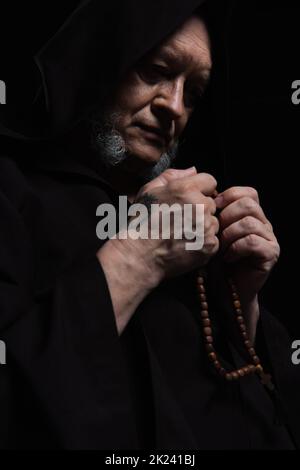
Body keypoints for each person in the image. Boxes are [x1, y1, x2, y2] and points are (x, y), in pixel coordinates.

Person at [0, 0, 299, 450]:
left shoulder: (201, 232)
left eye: (194, 92)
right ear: (103, 61)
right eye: (157, 70)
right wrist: (141, 253)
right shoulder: (13, 193)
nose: (174, 106)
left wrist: (243, 304)